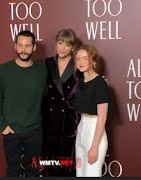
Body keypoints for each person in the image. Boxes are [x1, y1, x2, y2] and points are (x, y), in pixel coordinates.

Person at [0, 30, 47, 177]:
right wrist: (3, 126)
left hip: (34, 131)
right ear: (15, 46)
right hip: (11, 131)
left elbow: (47, 98)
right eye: (20, 45)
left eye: (28, 45)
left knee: (33, 171)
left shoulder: (42, 70)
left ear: (34, 47)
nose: (23, 49)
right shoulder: (3, 70)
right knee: (13, 171)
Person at [42, 28, 80, 176]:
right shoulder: (48, 63)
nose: (62, 48)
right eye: (60, 43)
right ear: (56, 43)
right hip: (50, 119)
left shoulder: (78, 64)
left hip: (70, 119)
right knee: (50, 162)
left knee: (67, 163)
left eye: (67, 45)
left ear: (73, 47)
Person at [74, 44, 110, 177]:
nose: (81, 62)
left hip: (95, 133)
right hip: (82, 130)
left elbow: (102, 117)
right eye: (78, 59)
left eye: (85, 58)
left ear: (93, 61)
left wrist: (94, 147)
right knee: (80, 173)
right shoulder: (81, 81)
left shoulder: (99, 83)